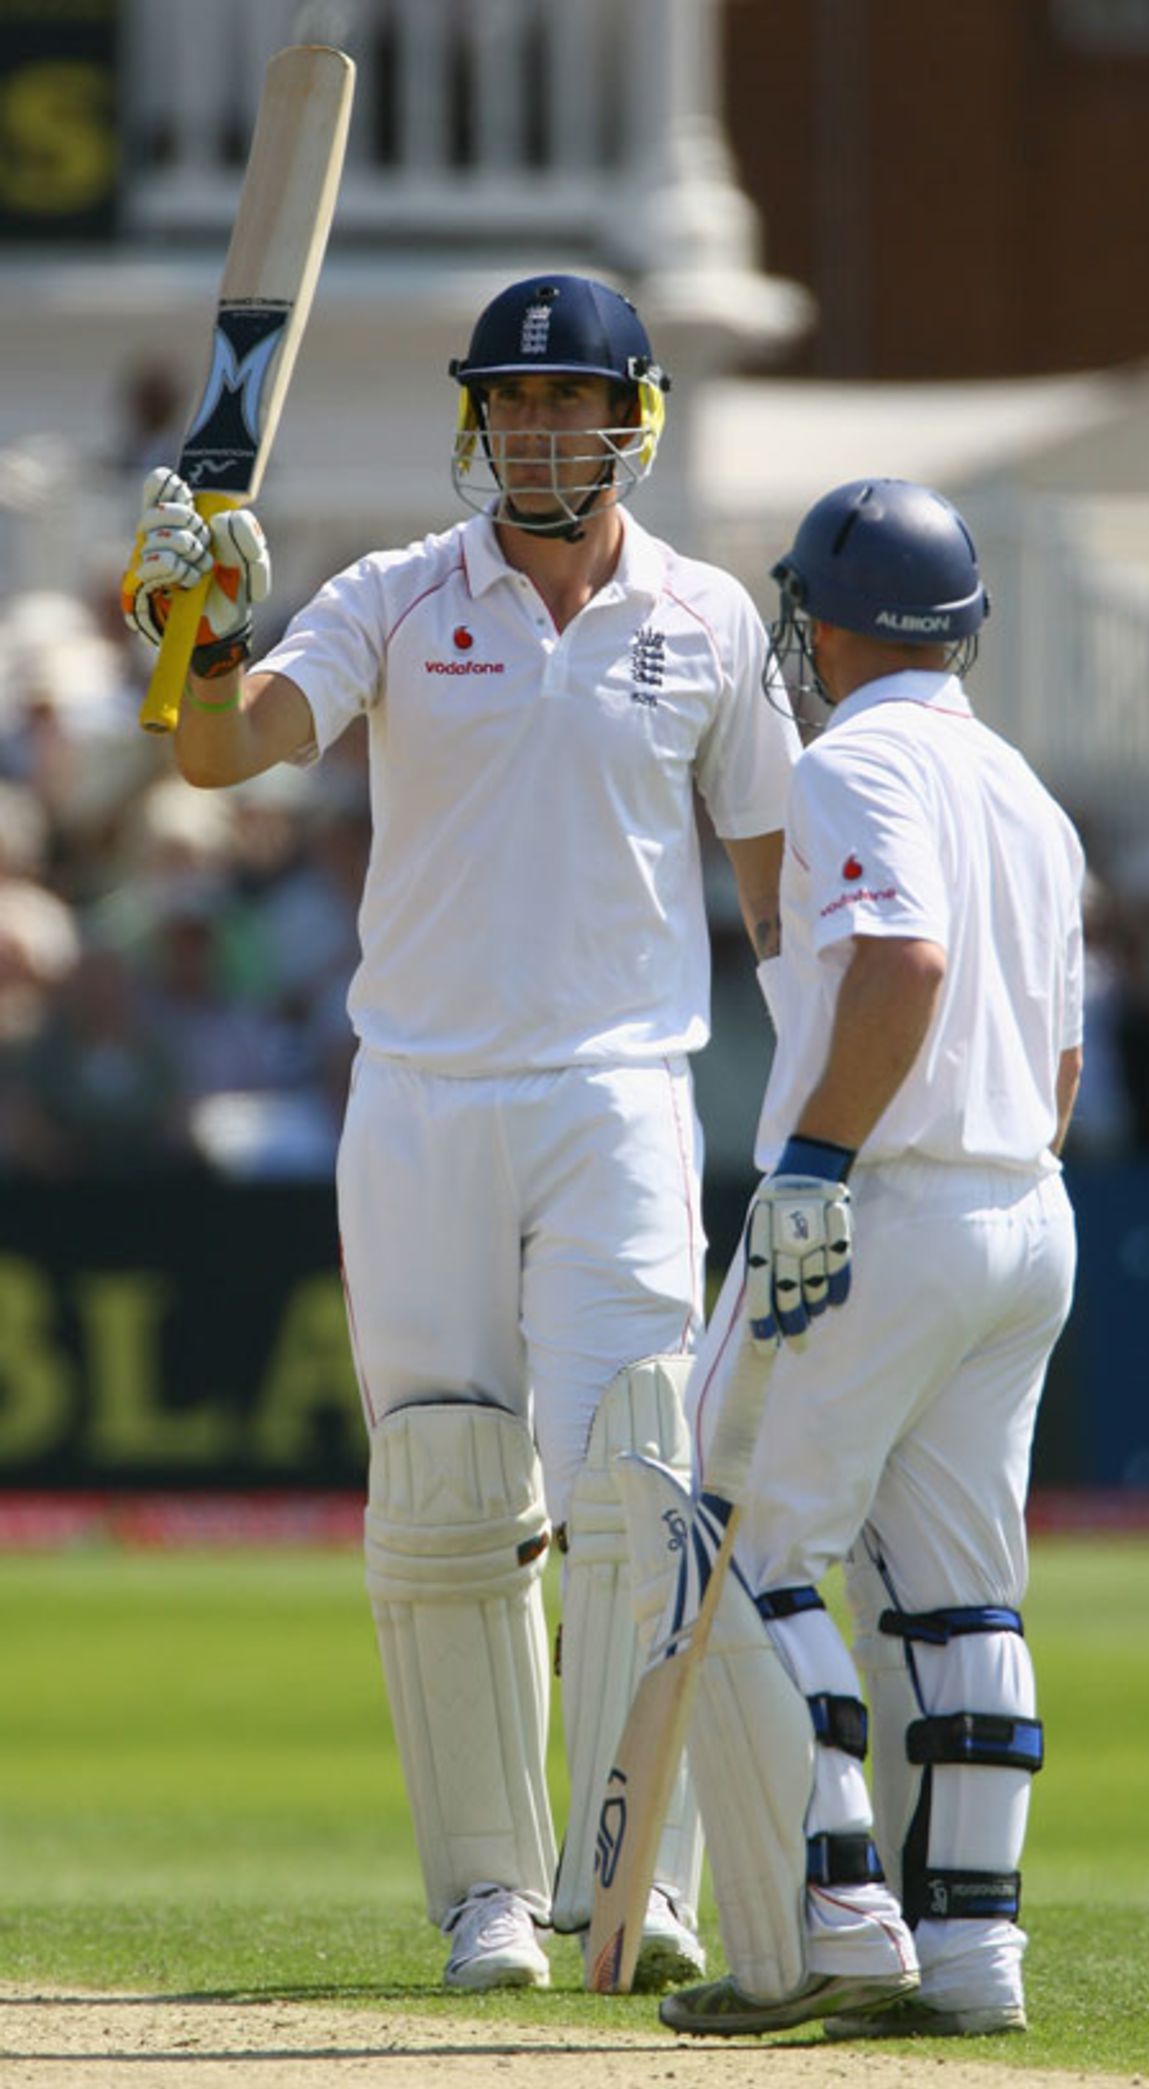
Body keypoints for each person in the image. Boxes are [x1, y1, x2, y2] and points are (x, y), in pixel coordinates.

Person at [118, 274, 799, 1991]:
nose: (537, 433)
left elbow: (785, 905)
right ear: (476, 420)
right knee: (441, 1491)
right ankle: (492, 1893)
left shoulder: (710, 620)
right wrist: (189, 618)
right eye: (510, 403)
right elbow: (219, 751)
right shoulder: (398, 596)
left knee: (643, 1473)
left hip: (622, 1094)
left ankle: (636, 1871)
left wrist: (826, 1127)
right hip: (418, 1096)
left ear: (634, 417)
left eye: (570, 404)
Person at [642, 478, 1084, 2039]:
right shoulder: (1028, 788)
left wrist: (820, 1160)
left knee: (747, 1545)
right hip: (1027, 1208)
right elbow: (1068, 1056)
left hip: (881, 1198)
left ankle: (835, 1912)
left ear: (826, 622)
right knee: (966, 1599)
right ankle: (975, 1955)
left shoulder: (852, 760)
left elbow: (904, 960)